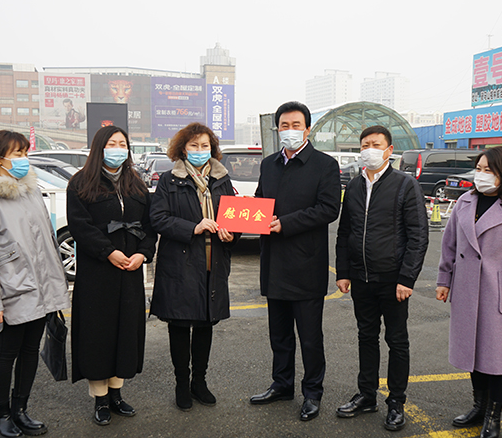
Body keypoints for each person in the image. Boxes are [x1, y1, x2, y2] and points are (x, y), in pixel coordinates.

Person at [0, 130, 70, 438]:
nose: (23, 160)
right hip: (10, 289)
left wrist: (54, 286)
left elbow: (46, 243)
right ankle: (1, 416)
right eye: (17, 154)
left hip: (40, 287)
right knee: (7, 352)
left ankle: (21, 410)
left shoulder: (30, 190)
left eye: (25, 153)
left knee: (31, 349)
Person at [435, 146, 502, 438]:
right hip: (466, 287)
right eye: (478, 169)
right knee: (472, 352)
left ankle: (494, 416)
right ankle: (479, 406)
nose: (481, 175)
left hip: (498, 291)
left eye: (488, 170)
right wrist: (444, 279)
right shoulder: (466, 201)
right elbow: (449, 244)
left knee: (498, 356)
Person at [249, 101, 341, 421]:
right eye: (284, 126)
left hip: (306, 265)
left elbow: (329, 209)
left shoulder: (325, 165)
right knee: (280, 334)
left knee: (310, 337)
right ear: (277, 130)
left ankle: (312, 392)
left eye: (295, 124)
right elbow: (261, 202)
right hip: (274, 263)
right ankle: (282, 384)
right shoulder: (269, 164)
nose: (290, 130)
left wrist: (286, 223)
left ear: (308, 128)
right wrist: (244, 218)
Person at [334, 125, 428, 431]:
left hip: (393, 280)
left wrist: (407, 278)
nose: (369, 149)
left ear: (389, 150)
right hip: (361, 278)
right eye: (365, 144)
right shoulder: (355, 185)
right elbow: (344, 231)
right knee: (366, 336)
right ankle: (367, 394)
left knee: (397, 340)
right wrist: (344, 272)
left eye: (376, 144)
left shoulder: (404, 185)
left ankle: (396, 401)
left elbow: (418, 236)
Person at [67, 126, 157, 426]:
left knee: (126, 330)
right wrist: (108, 252)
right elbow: (80, 227)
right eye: (111, 143)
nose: (118, 148)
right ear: (99, 148)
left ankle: (117, 394)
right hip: (98, 271)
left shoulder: (136, 183)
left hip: (131, 269)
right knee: (98, 333)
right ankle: (100, 399)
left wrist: (143, 253)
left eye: (122, 144)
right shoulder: (81, 183)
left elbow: (149, 224)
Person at [149, 122, 238, 411]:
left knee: (204, 323)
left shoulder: (222, 179)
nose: (200, 151)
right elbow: (158, 218)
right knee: (179, 322)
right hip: (181, 261)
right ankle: (181, 382)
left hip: (214, 262)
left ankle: (200, 382)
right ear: (182, 149)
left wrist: (230, 232)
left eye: (205, 146)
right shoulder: (169, 179)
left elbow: (234, 218)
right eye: (194, 146)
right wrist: (194, 227)